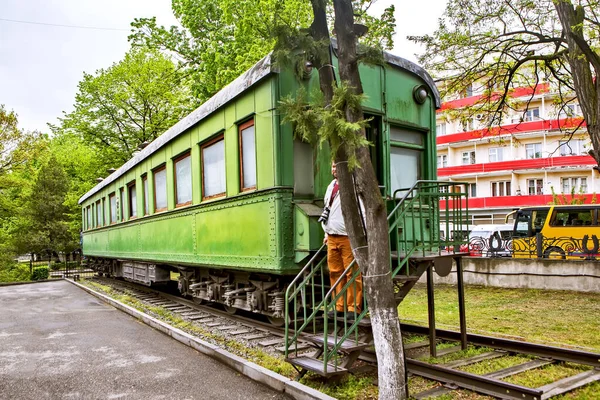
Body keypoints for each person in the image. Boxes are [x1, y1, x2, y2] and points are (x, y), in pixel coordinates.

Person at [321, 162, 363, 319]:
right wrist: (326, 233)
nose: (334, 169)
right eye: (332, 166)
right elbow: (327, 209)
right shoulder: (331, 186)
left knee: (352, 272)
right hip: (331, 237)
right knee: (335, 272)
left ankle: (353, 307)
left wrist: (359, 236)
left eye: (337, 166)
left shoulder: (352, 186)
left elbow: (361, 212)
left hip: (347, 237)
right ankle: (339, 305)